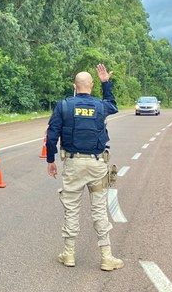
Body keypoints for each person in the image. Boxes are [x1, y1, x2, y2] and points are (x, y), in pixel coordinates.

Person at [45, 64, 124, 271]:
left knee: (71, 209)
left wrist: (50, 161)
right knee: (99, 210)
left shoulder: (63, 106)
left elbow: (52, 134)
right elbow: (113, 105)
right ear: (91, 86)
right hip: (97, 165)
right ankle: (107, 257)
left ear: (75, 86)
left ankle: (69, 254)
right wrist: (106, 82)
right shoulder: (100, 106)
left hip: (73, 164)